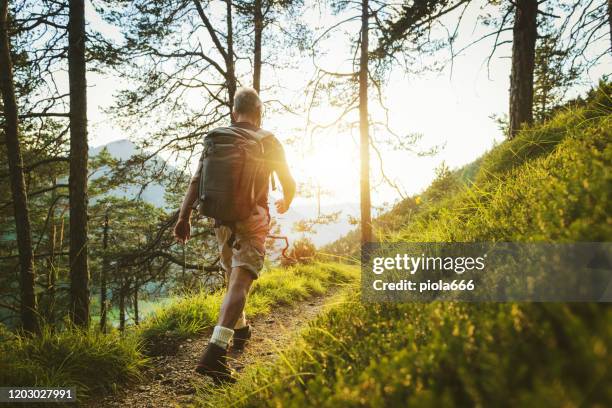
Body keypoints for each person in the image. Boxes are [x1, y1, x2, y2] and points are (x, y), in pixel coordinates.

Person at [173, 86, 296, 383]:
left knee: (232, 280)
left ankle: (240, 329)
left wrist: (183, 217)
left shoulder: (216, 138)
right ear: (259, 114)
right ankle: (215, 352)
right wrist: (286, 200)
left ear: (234, 112)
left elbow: (197, 179)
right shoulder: (268, 141)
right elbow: (288, 182)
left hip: (222, 219)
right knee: (240, 283)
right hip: (252, 219)